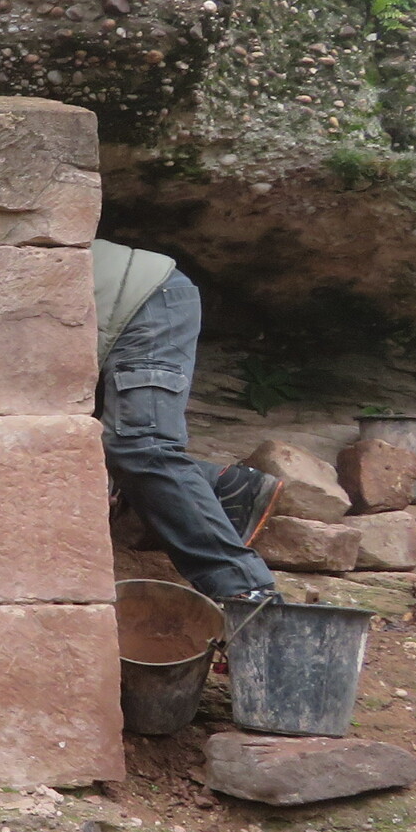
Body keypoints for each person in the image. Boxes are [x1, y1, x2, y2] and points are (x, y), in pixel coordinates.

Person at [93, 239, 282, 602]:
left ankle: (245, 591)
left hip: (145, 301)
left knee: (141, 445)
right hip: (111, 319)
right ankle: (222, 485)